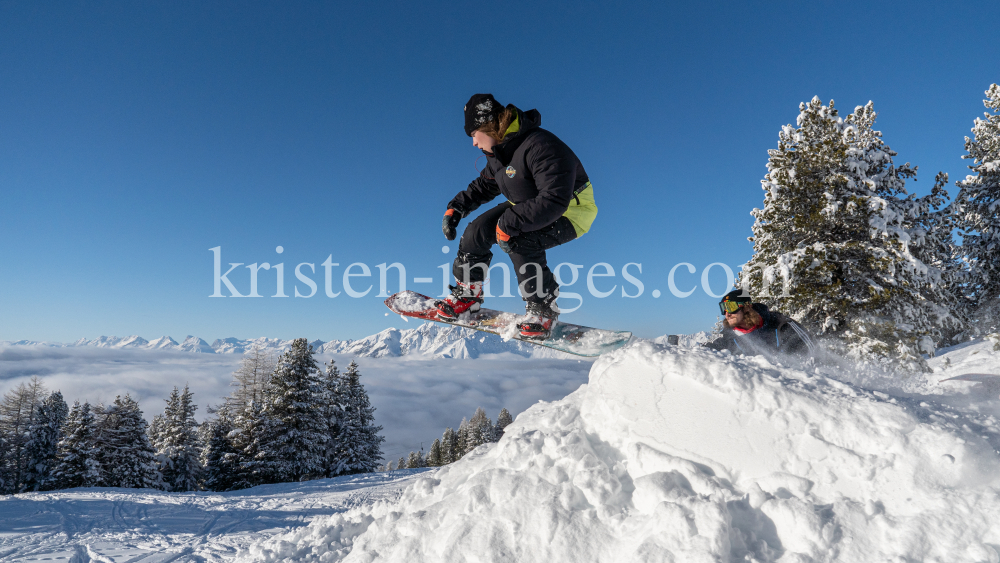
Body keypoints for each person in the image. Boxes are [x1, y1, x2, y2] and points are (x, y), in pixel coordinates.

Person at [436, 94, 598, 340]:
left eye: (473, 135)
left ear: (486, 126)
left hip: (571, 212)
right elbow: (484, 186)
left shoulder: (541, 146)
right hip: (527, 207)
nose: (473, 143)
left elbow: (554, 199)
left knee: (519, 239)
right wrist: (456, 208)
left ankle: (543, 307)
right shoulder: (501, 154)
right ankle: (468, 295)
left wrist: (509, 224)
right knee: (476, 232)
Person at [705, 290, 816, 358]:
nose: (727, 314)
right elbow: (703, 353)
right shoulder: (728, 338)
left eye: (731, 307)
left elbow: (812, 349)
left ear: (746, 307)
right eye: (723, 309)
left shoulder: (779, 324)